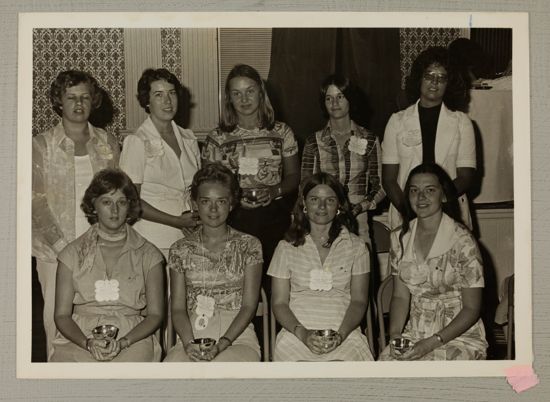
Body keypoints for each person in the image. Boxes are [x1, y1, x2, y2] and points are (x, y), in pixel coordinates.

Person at [32, 70, 120, 360]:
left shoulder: (107, 142)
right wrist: (63, 248)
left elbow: (117, 196)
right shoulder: (41, 145)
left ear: (94, 101)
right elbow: (36, 202)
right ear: (59, 101)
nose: (78, 104)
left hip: (101, 246)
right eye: (71, 97)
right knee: (57, 325)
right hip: (54, 252)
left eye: (84, 97)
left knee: (99, 319)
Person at [201, 64, 300, 289]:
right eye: (237, 93)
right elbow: (209, 184)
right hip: (234, 218)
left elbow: (294, 176)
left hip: (274, 217)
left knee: (273, 283)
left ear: (261, 93)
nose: (244, 99)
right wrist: (234, 197)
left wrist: (275, 191)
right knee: (237, 282)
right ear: (229, 99)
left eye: (250, 91)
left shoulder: (282, 132)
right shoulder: (217, 138)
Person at [50, 169, 164, 362]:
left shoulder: (150, 254)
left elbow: (155, 315)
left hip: (132, 337)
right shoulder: (71, 254)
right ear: (93, 206)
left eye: (121, 202)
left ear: (130, 206)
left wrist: (124, 342)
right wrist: (87, 342)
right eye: (106, 202)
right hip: (79, 336)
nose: (114, 210)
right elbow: (61, 315)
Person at [379, 163, 487, 361]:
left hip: (459, 337)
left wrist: (431, 343)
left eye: (430, 190)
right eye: (414, 190)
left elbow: (472, 309)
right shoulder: (399, 238)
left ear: (444, 196)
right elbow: (401, 297)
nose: (421, 197)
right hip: (415, 333)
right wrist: (395, 336)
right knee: (384, 368)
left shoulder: (462, 241)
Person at [268, 172, 373, 361]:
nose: (322, 206)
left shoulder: (357, 247)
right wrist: (303, 334)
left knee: (341, 371)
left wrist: (340, 336)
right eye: (315, 199)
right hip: (296, 334)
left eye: (330, 200)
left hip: (345, 334)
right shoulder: (286, 247)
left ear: (339, 206)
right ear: (304, 205)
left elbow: (359, 301)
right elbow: (279, 303)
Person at [164, 163, 263, 362]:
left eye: (221, 201)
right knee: (173, 372)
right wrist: (188, 344)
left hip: (236, 335)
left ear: (232, 203)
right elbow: (177, 309)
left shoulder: (249, 245)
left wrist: (223, 344)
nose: (213, 209)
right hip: (192, 333)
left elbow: (249, 306)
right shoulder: (180, 249)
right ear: (195, 203)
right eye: (205, 201)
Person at [382, 46, 476, 230]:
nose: (434, 82)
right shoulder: (397, 121)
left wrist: (438, 204)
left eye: (442, 78)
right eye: (429, 75)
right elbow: (389, 179)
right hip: (405, 214)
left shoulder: (462, 123)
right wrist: (409, 210)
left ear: (449, 84)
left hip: (449, 210)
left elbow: (466, 176)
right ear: (419, 78)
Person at [120, 68, 201, 257]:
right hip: (151, 239)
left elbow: (197, 190)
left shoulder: (189, 138)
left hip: (189, 236)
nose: (167, 101)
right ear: (146, 101)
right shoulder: (137, 141)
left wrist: (195, 218)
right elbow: (130, 201)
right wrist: (175, 221)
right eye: (158, 95)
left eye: (172, 93)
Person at [301, 74, 385, 246]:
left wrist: (361, 206)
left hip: (358, 220)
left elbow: (380, 186)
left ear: (350, 99)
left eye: (340, 96)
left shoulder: (369, 139)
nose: (334, 103)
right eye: (328, 98)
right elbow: (305, 186)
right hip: (321, 218)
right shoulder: (313, 142)